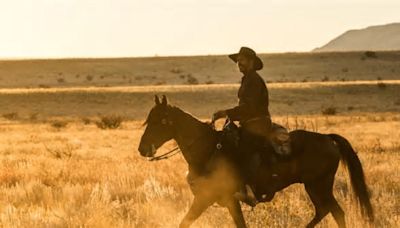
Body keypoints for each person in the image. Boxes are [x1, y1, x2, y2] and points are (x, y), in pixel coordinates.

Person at [212, 47, 276, 206]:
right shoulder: (248, 79)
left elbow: (249, 108)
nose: (239, 62)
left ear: (252, 62)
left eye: (243, 59)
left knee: (239, 150)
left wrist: (225, 113)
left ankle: (248, 189)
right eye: (238, 60)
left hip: (257, 124)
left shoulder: (253, 80)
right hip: (251, 123)